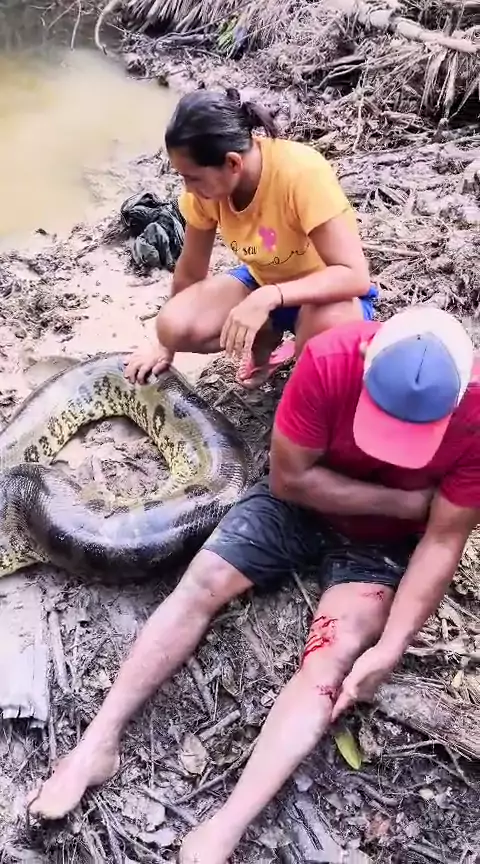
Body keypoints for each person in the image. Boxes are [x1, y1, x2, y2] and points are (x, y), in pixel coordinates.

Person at [29, 308, 480, 864]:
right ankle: (96, 744)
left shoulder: (477, 413)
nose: (389, 447)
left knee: (333, 657)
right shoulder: (330, 360)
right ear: (366, 362)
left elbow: (443, 540)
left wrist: (389, 648)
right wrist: (408, 503)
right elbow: (290, 480)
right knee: (202, 582)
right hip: (298, 506)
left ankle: (225, 828)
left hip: (379, 546)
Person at [124, 88, 377, 389]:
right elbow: (191, 270)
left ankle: (305, 357)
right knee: (172, 325)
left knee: (320, 350)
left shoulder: (301, 174)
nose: (188, 188)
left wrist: (268, 296)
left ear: (233, 163)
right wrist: (164, 346)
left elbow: (354, 276)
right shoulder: (206, 193)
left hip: (329, 295)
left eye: (193, 177)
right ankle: (266, 339)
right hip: (263, 279)